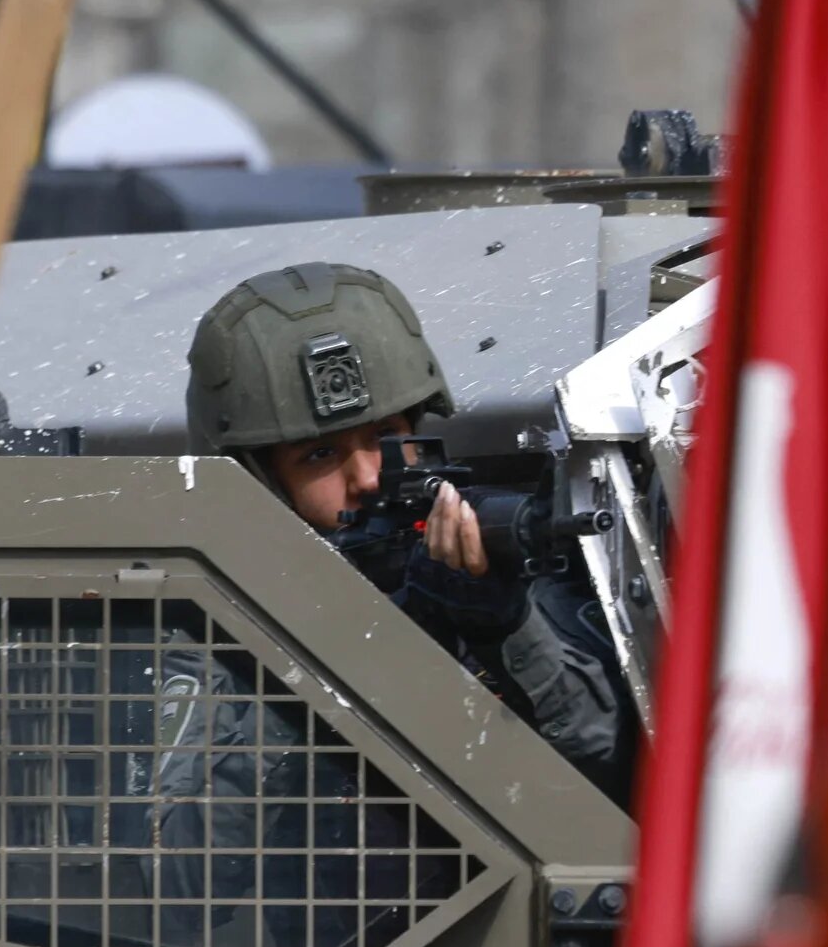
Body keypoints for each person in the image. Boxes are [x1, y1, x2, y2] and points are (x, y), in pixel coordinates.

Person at [182, 260, 634, 796]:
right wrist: (389, 644)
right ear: (261, 481)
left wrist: (501, 627)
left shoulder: (511, 591)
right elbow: (194, 859)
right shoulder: (213, 633)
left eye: (386, 434)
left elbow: (606, 764)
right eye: (320, 454)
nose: (369, 476)